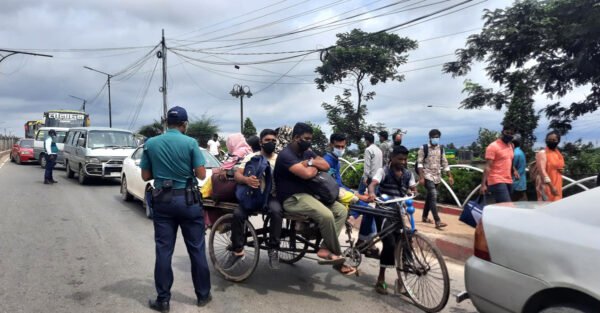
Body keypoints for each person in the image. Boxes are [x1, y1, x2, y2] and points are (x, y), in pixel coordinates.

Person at [141, 106, 211, 312]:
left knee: (164, 250)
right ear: (184, 124)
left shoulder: (151, 143)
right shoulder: (190, 143)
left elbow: (146, 176)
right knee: (196, 249)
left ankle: (163, 300)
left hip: (163, 201)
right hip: (188, 201)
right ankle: (203, 295)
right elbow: (200, 174)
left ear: (166, 123)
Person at [274, 122, 355, 275]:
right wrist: (311, 167)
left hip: (309, 194)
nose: (309, 141)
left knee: (341, 211)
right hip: (292, 198)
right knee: (326, 215)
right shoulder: (286, 155)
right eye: (307, 138)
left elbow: (324, 165)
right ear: (296, 138)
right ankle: (338, 260)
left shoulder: (306, 153)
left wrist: (310, 162)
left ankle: (325, 248)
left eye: (311, 139)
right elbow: (307, 174)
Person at [224, 129, 283, 270]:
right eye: (267, 140)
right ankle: (237, 251)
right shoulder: (251, 157)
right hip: (252, 195)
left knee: (277, 212)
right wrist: (246, 180)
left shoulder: (280, 159)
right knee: (238, 214)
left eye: (273, 141)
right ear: (261, 142)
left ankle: (273, 249)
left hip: (270, 196)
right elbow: (237, 174)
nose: (271, 143)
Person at [366, 145, 417, 295]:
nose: (403, 162)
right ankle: (380, 279)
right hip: (384, 211)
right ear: (392, 158)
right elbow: (372, 184)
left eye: (405, 159)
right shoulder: (383, 171)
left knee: (407, 240)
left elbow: (413, 188)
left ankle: (404, 281)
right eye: (400, 159)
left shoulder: (408, 174)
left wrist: (413, 191)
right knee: (389, 243)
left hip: (399, 213)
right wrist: (371, 193)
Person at [323, 133, 378, 258]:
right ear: (331, 144)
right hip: (334, 197)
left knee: (371, 209)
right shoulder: (327, 161)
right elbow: (333, 186)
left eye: (343, 146)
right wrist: (357, 195)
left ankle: (363, 240)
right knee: (369, 210)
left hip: (341, 193)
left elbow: (340, 184)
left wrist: (357, 194)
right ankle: (362, 242)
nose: (341, 149)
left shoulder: (336, 160)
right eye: (338, 146)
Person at [417, 129, 453, 229]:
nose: (435, 139)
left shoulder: (441, 148)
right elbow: (419, 163)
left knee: (429, 198)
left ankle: (424, 217)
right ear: (430, 137)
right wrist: (421, 177)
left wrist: (449, 175)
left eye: (437, 137)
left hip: (437, 176)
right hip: (427, 175)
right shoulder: (423, 148)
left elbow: (445, 163)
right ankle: (438, 221)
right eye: (434, 137)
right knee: (433, 195)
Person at [481, 125, 516, 203]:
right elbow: (487, 166)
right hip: (496, 179)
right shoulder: (493, 146)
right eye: (507, 132)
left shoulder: (511, 146)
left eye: (511, 133)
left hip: (509, 179)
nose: (509, 135)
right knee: (507, 205)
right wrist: (483, 185)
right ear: (502, 132)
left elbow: (508, 160)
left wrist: (514, 170)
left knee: (501, 207)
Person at [535, 131, 565, 202]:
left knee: (556, 206)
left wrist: (561, 170)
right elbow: (542, 171)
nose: (551, 142)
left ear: (558, 141)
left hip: (557, 183)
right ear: (546, 140)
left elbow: (558, 166)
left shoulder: (557, 154)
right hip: (547, 185)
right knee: (546, 207)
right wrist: (551, 187)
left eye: (554, 140)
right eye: (549, 140)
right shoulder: (542, 153)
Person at [511, 135, 527, 201]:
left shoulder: (514, 153)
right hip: (521, 182)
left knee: (513, 205)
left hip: (515, 183)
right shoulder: (521, 152)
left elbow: (510, 167)